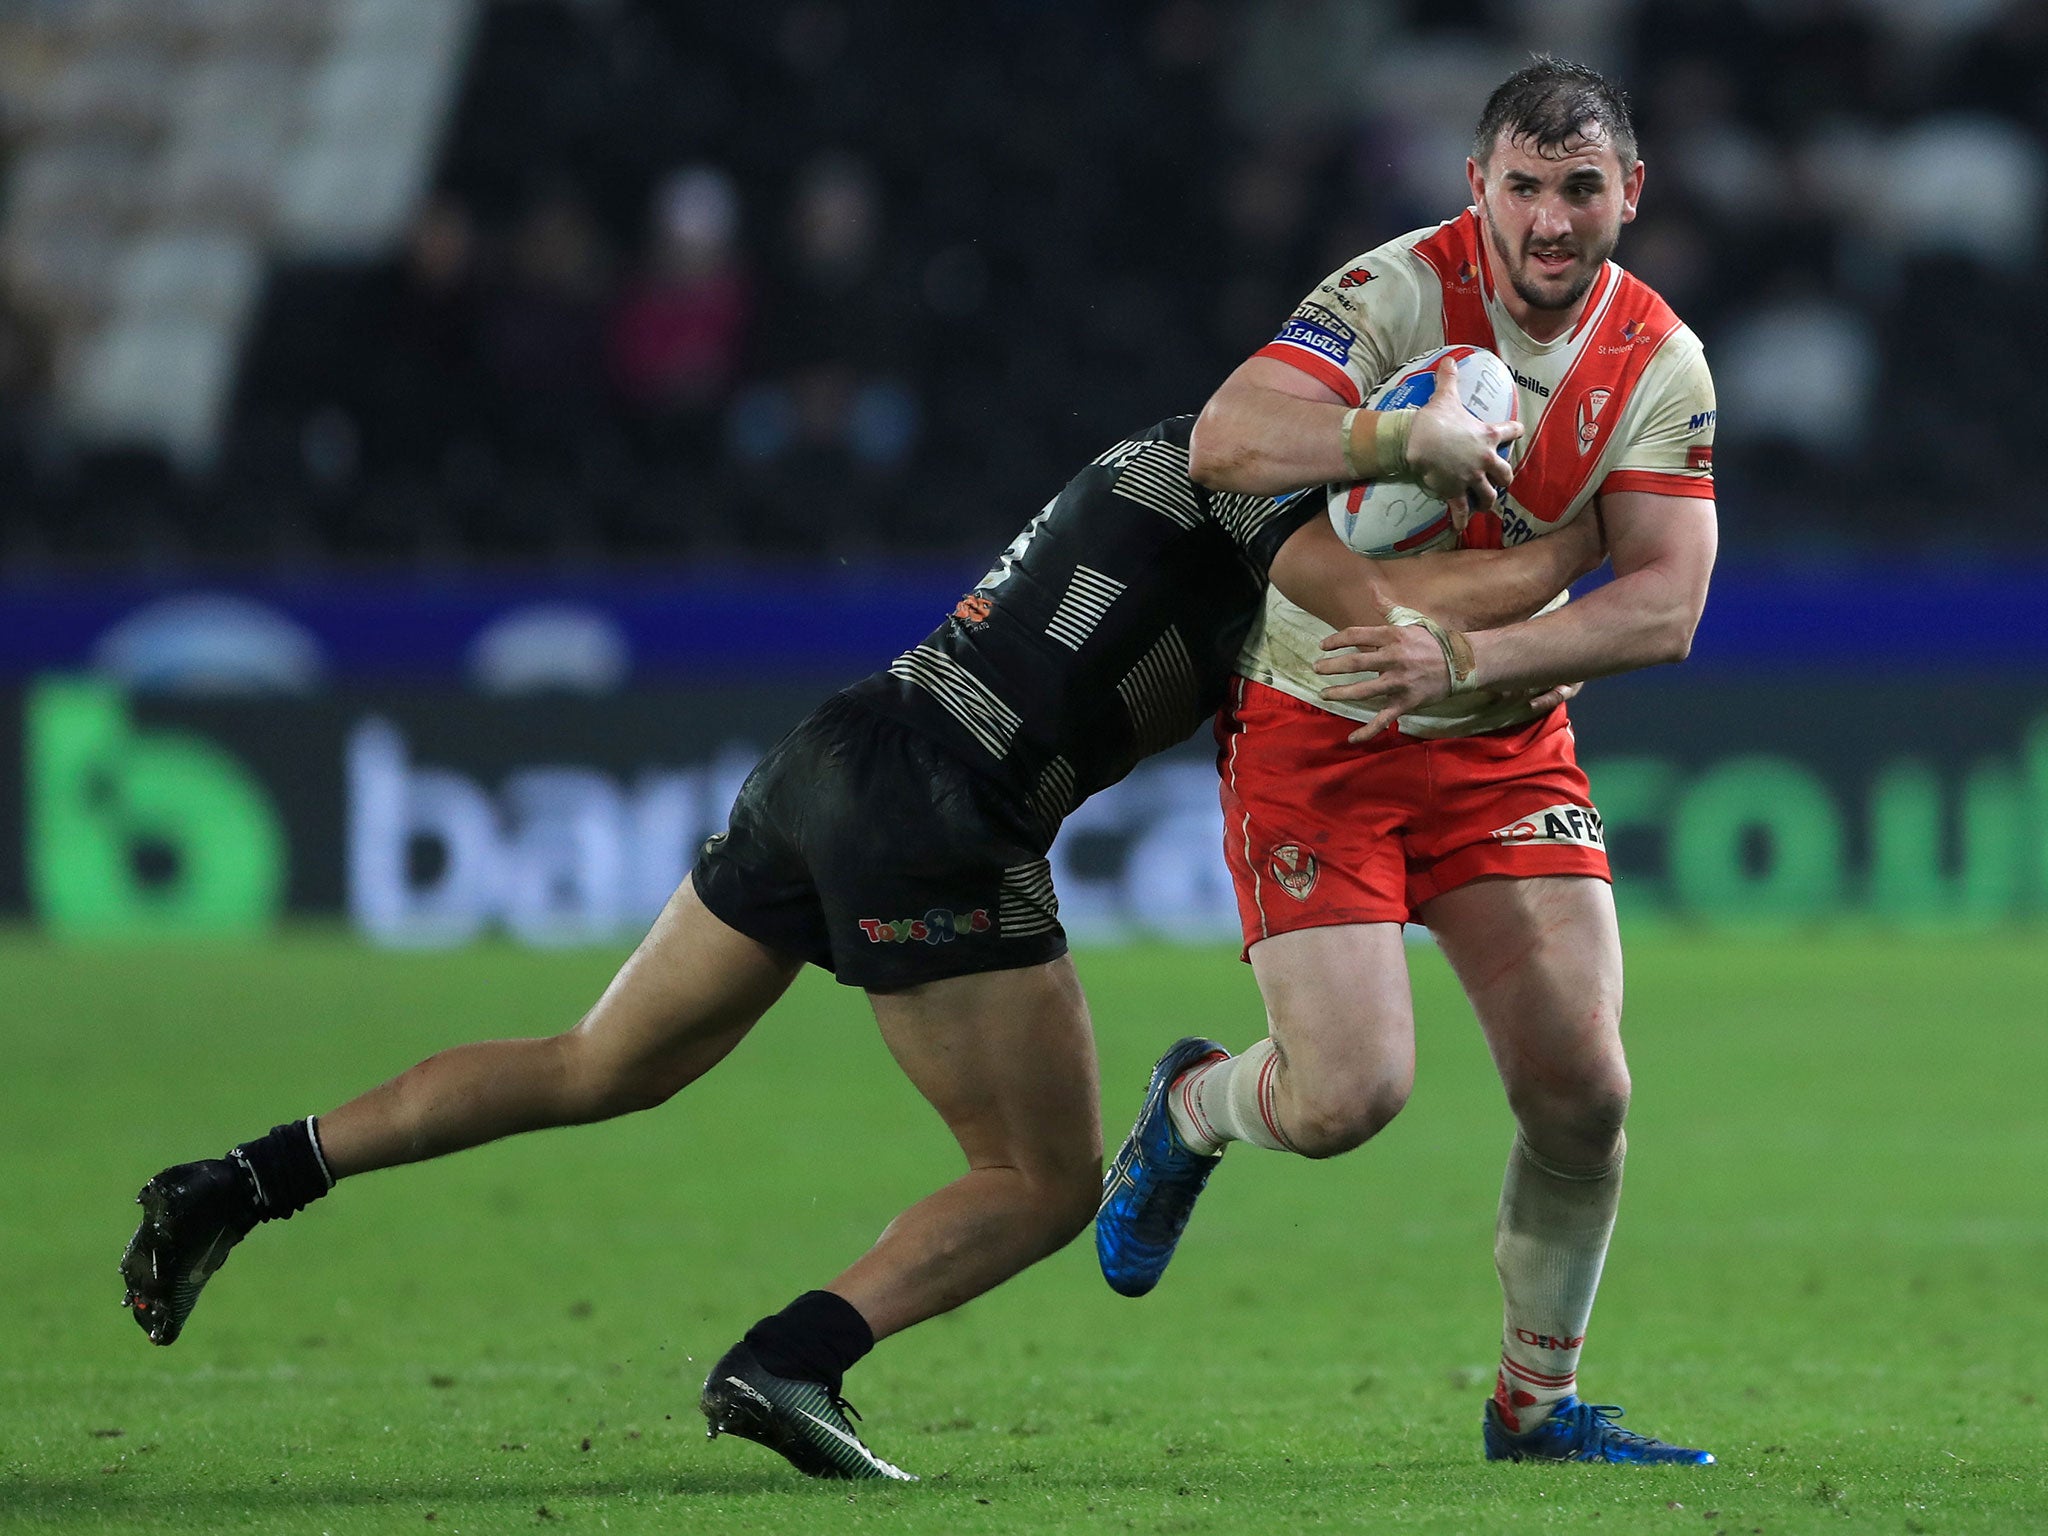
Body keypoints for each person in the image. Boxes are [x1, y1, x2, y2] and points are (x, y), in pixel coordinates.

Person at [119, 380, 1589, 1483]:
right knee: (1043, 1179)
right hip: (949, 808)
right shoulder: (1269, 499)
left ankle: (247, 1176)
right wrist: (1592, 538)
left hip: (845, 744)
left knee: (597, 1064)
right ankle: (787, 1363)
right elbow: (1388, 600)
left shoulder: (1176, 457)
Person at [1094, 57, 1720, 1466]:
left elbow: (1667, 605)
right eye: (1524, 187)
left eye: (1581, 189)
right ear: (1475, 189)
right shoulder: (1393, 295)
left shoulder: (1659, 362)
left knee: (1587, 1090)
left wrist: (1475, 662)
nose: (1552, 221)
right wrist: (1398, 434)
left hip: (1503, 743)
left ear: (1630, 192)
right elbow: (1225, 440)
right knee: (1346, 1099)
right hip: (1321, 735)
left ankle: (1536, 1406)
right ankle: (1192, 1107)